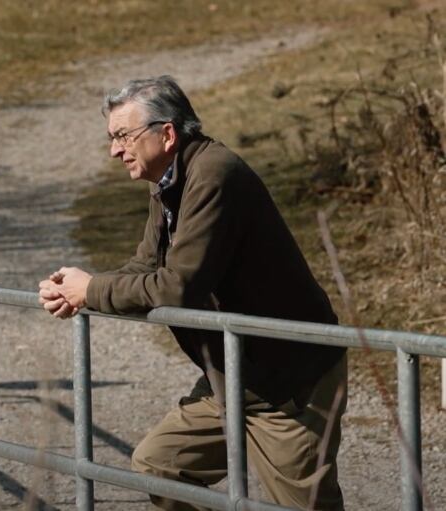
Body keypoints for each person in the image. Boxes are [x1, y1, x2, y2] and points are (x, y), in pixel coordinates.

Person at [38, 75, 347, 510]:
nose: (114, 150)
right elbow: (147, 266)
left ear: (166, 134)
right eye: (112, 138)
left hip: (289, 383)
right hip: (234, 377)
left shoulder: (214, 174)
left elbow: (179, 286)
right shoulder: (168, 180)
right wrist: (78, 292)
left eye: (122, 136)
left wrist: (93, 289)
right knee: (160, 465)